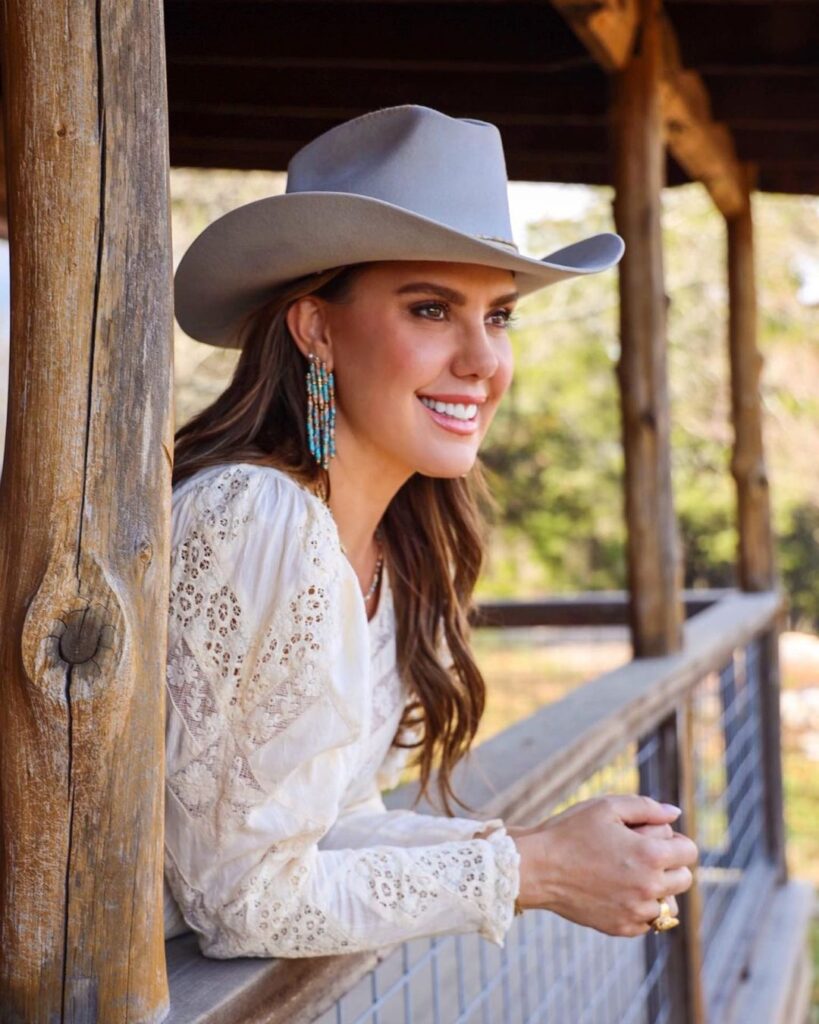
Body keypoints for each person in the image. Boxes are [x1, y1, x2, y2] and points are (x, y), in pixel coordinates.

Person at [163, 104, 698, 959]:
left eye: (498, 316)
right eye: (428, 309)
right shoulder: (251, 520)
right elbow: (243, 895)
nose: (482, 362)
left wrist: (537, 849)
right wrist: (538, 871)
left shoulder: (387, 546)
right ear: (315, 329)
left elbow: (330, 825)